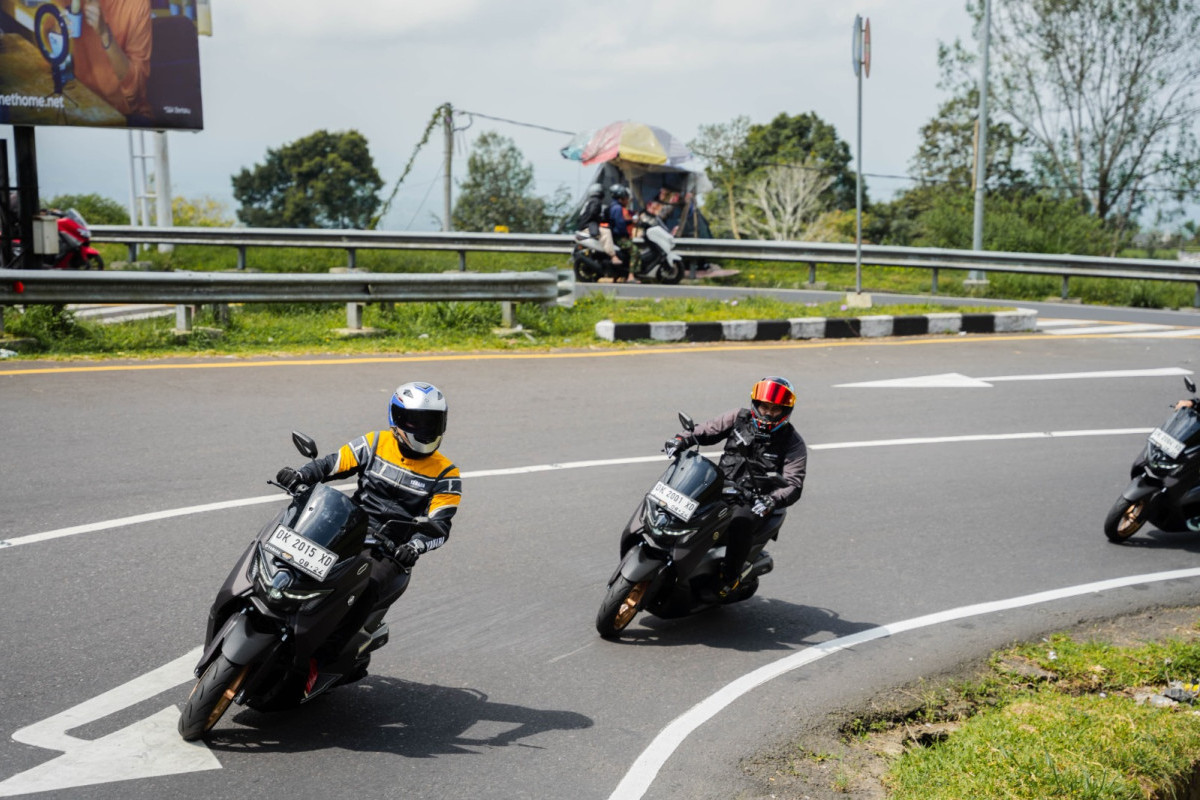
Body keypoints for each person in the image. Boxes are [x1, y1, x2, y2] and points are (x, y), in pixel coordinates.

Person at [275, 381, 461, 670]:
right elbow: (330, 465)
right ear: (396, 419)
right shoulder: (374, 442)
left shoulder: (447, 474)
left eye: (432, 421)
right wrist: (299, 475)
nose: (424, 428)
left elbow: (440, 527)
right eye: (416, 420)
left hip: (390, 551)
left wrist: (414, 547)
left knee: (366, 585)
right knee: (288, 544)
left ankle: (321, 661)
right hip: (347, 528)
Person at [663, 377, 807, 598]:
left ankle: (730, 578)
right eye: (764, 406)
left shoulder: (793, 443)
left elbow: (793, 484)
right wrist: (682, 439)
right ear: (755, 404)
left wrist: (772, 500)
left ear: (785, 411)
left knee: (741, 522)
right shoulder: (738, 418)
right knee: (677, 497)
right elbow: (708, 430)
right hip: (720, 485)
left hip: (753, 500)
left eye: (775, 409)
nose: (767, 413)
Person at [72, 0, 153, 122]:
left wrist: (105, 34)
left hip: (124, 113)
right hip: (81, 102)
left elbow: (135, 90)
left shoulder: (138, 4)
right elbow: (45, 21)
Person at [577, 182, 621, 266]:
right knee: (606, 232)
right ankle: (613, 256)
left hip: (584, 226)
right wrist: (600, 220)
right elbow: (593, 213)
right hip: (588, 227)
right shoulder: (596, 201)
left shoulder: (590, 201)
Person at [607, 184, 635, 282]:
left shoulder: (613, 206)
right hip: (618, 237)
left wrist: (630, 222)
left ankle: (619, 275)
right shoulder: (618, 208)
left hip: (614, 236)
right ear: (621, 197)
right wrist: (626, 235)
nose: (627, 200)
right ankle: (631, 276)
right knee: (635, 251)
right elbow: (620, 225)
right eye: (626, 197)